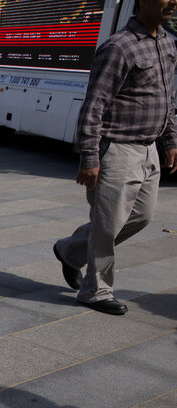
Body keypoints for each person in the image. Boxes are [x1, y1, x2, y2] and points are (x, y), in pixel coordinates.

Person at [53, 0, 177, 316]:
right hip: (118, 148)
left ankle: (70, 250)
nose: (173, 1)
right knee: (108, 225)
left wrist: (170, 141)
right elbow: (94, 105)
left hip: (149, 148)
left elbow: (167, 98)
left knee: (141, 217)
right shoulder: (119, 47)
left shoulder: (167, 42)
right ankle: (95, 291)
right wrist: (90, 158)